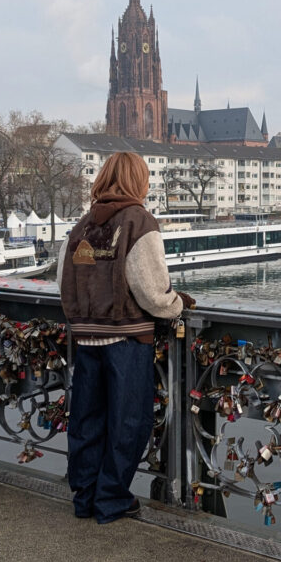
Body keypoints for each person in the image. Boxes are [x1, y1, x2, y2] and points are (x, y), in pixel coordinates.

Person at [59, 152, 194, 523]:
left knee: (87, 421)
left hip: (87, 339)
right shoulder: (138, 220)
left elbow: (64, 282)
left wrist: (82, 319)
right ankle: (112, 499)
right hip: (126, 339)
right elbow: (151, 290)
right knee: (128, 423)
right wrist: (177, 304)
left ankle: (84, 497)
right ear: (138, 181)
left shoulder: (82, 224)